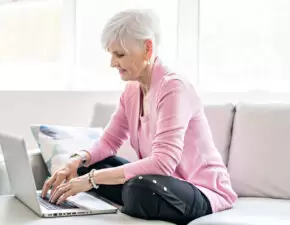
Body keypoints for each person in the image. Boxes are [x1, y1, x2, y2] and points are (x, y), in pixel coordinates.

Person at [41, 9, 237, 224]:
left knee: (139, 187)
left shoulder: (173, 87)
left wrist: (92, 180)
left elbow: (163, 164)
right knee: (88, 166)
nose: (112, 63)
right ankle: (116, 196)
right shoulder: (132, 90)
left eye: (120, 54)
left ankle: (123, 196)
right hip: (161, 182)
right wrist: (75, 161)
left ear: (147, 48)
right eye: (111, 54)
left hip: (201, 190)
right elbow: (109, 141)